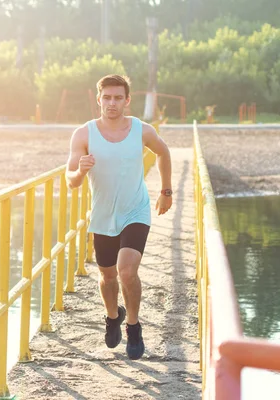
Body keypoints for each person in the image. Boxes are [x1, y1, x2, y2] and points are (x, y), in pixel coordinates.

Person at [65, 74, 172, 360]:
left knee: (127, 271)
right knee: (107, 276)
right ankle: (113, 316)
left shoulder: (142, 130)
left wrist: (166, 191)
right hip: (103, 215)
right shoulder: (84, 134)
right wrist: (81, 170)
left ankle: (133, 326)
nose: (112, 103)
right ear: (98, 99)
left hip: (136, 210)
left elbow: (163, 152)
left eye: (117, 98)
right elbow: (71, 181)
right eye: (107, 97)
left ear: (126, 100)